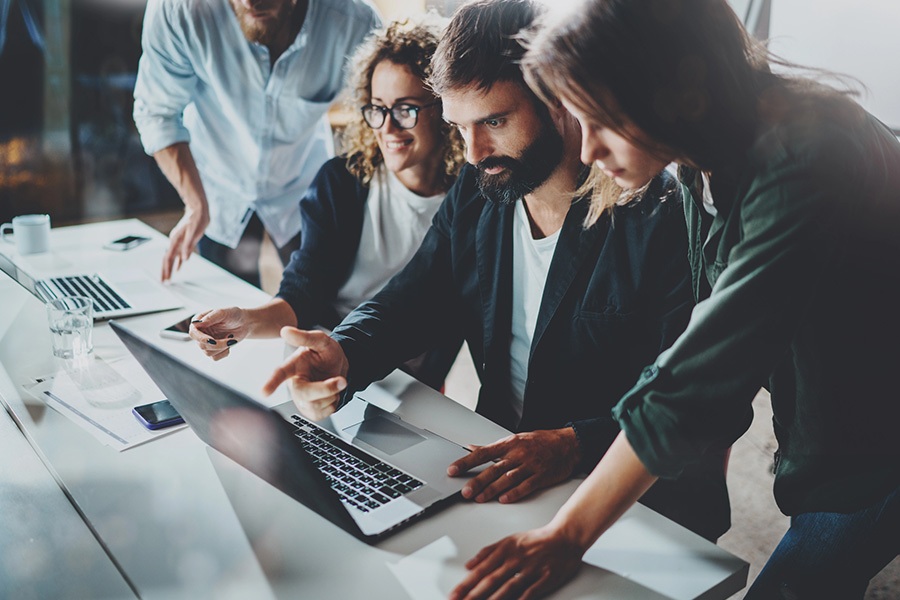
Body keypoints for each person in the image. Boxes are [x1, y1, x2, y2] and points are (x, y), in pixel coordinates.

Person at [450, 1, 900, 598]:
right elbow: (702, 355)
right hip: (834, 403)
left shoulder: (807, 161)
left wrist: (566, 535)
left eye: (602, 121)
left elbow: (697, 380)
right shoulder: (698, 156)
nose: (587, 152)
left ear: (666, 92)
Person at [260, 0, 731, 542]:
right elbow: (416, 295)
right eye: (460, 128)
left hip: (624, 495)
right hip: (499, 464)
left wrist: (572, 443)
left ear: (558, 98)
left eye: (495, 121)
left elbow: (696, 402)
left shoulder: (659, 211)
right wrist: (343, 351)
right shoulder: (482, 186)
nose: (476, 151)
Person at [188, 18, 467, 388]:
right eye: (377, 108)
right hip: (322, 358)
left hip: (410, 383)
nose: (387, 127)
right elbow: (301, 294)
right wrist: (246, 321)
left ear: (445, 109)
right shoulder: (340, 183)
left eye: (406, 109)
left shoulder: (471, 205)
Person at [133, 0, 381, 286]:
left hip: (303, 186)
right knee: (225, 314)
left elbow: (381, 115)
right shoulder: (179, 10)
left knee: (320, 306)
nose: (250, 2)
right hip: (219, 192)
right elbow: (157, 112)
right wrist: (195, 204)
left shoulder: (355, 23)